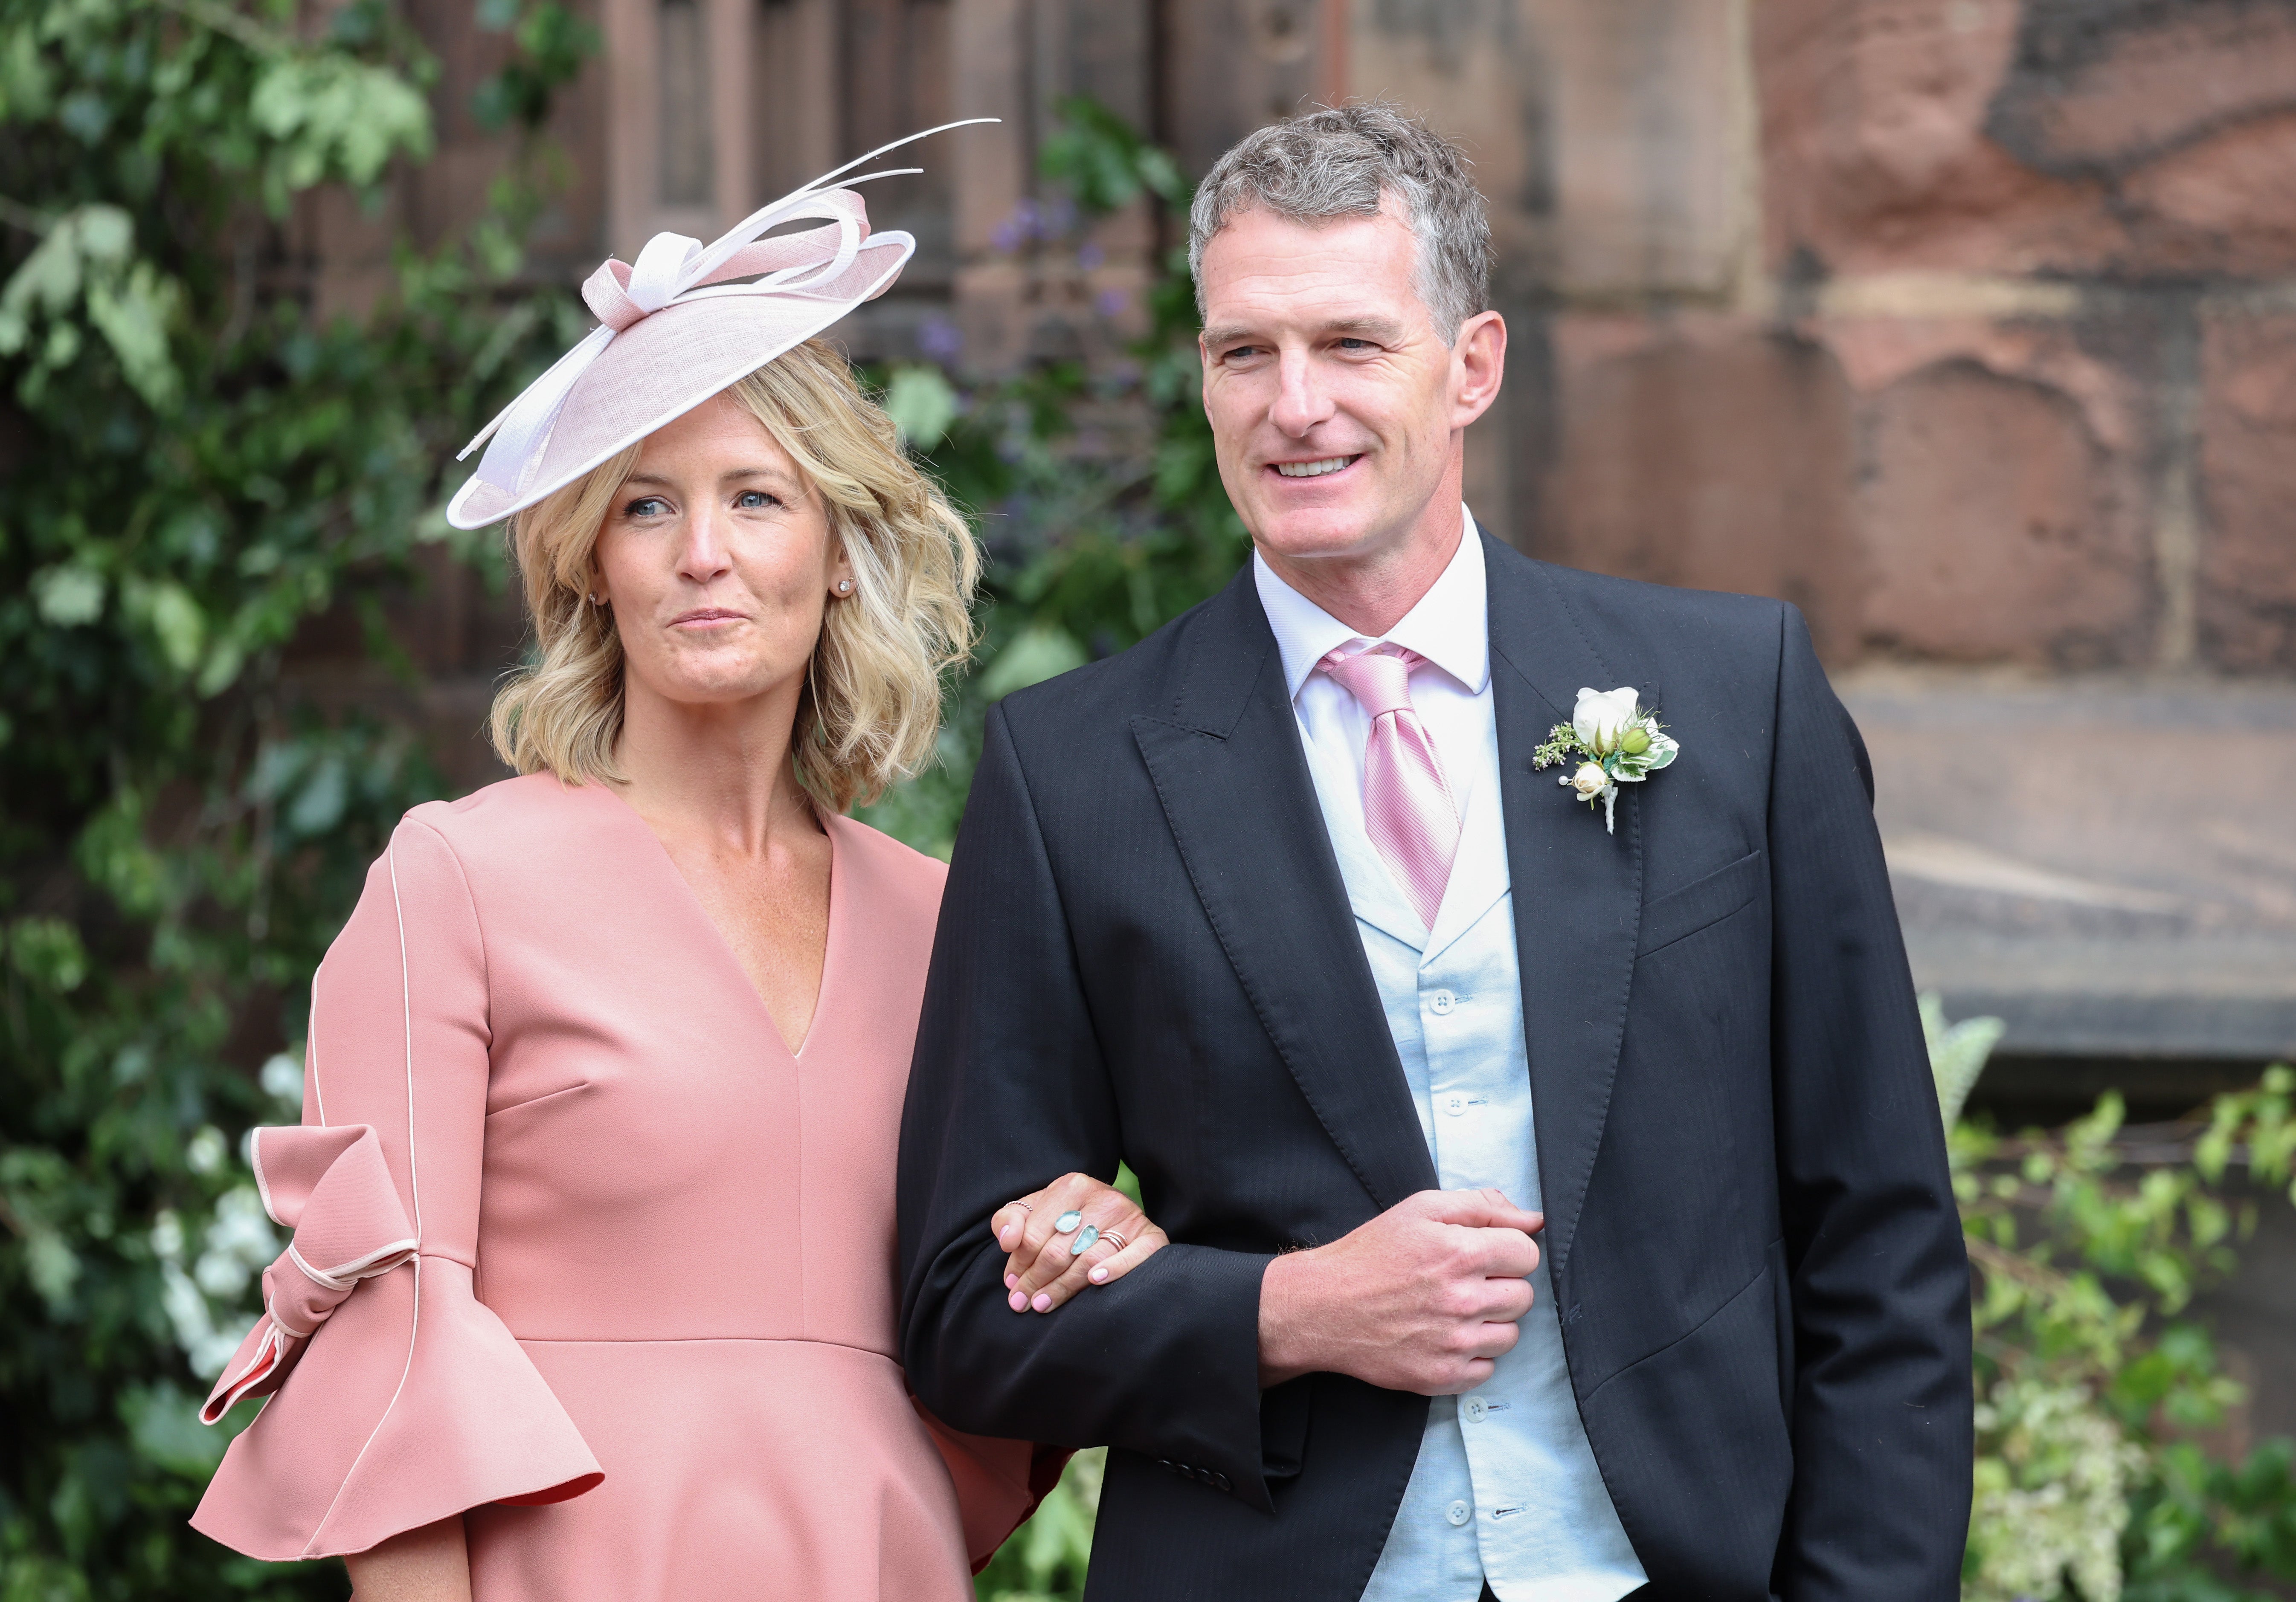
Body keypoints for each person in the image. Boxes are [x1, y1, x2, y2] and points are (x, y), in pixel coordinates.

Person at [897, 102, 1974, 1601]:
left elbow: (1881, 1243)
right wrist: (1287, 1311)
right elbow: (964, 1312)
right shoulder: (1072, 772)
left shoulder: (1740, 701)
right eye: (1242, 354)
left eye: (1352, 344)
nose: (1295, 407)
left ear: (1471, 367)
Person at [189, 131, 1155, 1602]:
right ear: (593, 560)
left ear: (838, 548)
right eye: (648, 504)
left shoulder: (944, 917)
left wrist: (1097, 1233)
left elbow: (1001, 1315)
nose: (703, 550)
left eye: (758, 498)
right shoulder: (456, 879)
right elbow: (381, 1362)